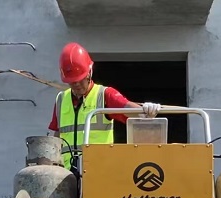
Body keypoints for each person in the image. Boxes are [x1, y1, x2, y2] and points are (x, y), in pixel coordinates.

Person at [48, 42, 161, 172]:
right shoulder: (61, 99)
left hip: (98, 172)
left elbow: (133, 111)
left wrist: (147, 111)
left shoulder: (105, 95)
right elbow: (57, 135)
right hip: (67, 174)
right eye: (73, 81)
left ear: (90, 72)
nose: (77, 84)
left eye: (81, 79)